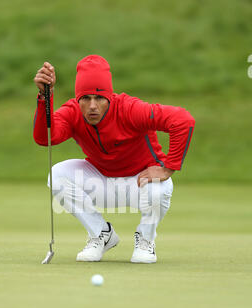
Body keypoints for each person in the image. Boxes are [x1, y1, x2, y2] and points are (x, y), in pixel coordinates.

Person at [33, 55, 195, 263]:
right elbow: (45, 138)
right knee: (56, 174)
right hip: (100, 181)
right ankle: (101, 234)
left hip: (140, 182)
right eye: (86, 98)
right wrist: (45, 97)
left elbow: (182, 120)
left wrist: (168, 168)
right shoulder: (73, 112)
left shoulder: (130, 109)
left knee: (160, 188)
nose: (92, 106)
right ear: (77, 99)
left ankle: (146, 239)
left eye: (99, 98)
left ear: (109, 97)